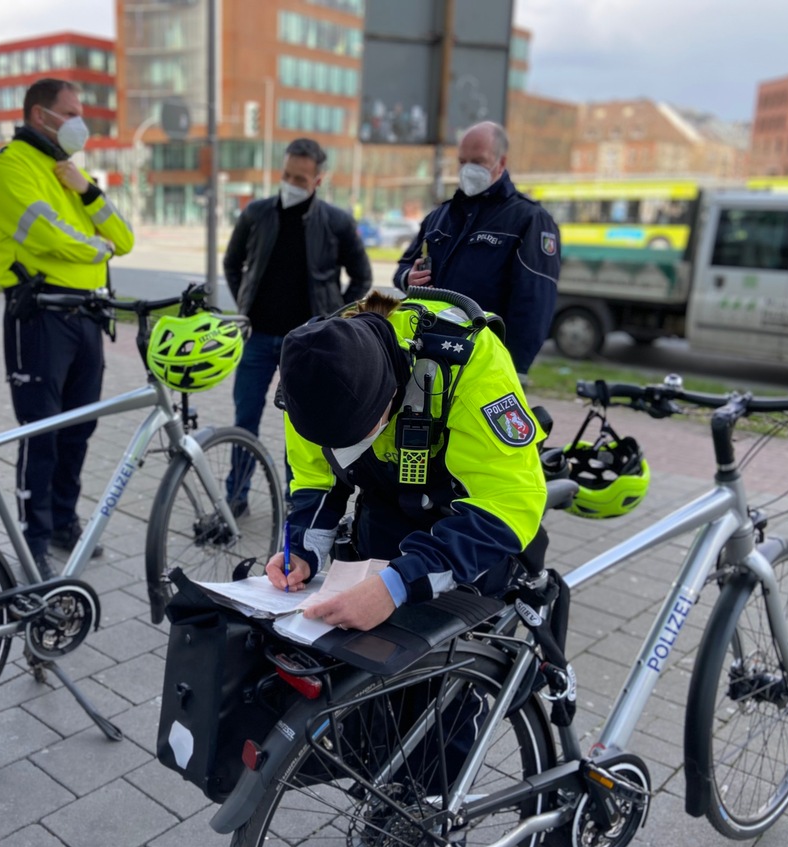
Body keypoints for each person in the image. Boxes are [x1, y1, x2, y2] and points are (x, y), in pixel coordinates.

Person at [265, 292, 547, 631]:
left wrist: (397, 584)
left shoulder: (470, 361)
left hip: (466, 526)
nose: (345, 449)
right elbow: (316, 477)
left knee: (460, 650)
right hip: (384, 514)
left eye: (358, 436)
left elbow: (508, 501)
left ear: (390, 392)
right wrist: (301, 549)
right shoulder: (309, 373)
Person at [0, 78, 134, 577]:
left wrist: (87, 190)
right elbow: (47, 234)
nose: (78, 121)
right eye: (69, 111)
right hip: (41, 317)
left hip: (87, 317)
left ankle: (65, 521)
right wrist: (97, 247)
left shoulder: (67, 171)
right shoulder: (10, 166)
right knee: (41, 434)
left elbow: (124, 237)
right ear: (39, 114)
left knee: (79, 429)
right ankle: (33, 541)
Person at [223, 137, 372, 509]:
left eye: (301, 179)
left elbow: (362, 275)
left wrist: (336, 316)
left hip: (307, 347)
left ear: (319, 180)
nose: (291, 183)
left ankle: (299, 502)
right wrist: (244, 302)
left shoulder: (336, 222)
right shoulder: (256, 213)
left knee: (304, 428)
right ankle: (235, 497)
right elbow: (232, 262)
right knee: (245, 420)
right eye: (287, 174)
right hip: (257, 338)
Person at [394, 121, 560, 377]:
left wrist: (513, 372)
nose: (468, 169)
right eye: (463, 161)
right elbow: (403, 268)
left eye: (478, 161)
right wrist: (409, 278)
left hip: (484, 364)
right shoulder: (441, 215)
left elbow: (533, 306)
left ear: (500, 163)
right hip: (428, 355)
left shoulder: (529, 220)